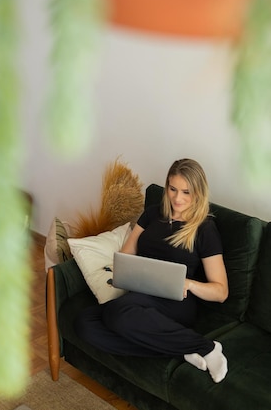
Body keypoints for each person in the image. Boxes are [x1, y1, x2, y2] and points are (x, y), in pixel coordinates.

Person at [74, 158, 229, 383]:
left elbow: (221, 292)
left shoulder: (205, 229)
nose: (177, 198)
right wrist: (125, 269)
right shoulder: (152, 214)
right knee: (84, 323)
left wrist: (190, 283)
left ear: (198, 193)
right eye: (173, 189)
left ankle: (207, 348)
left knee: (119, 315)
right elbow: (126, 253)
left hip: (176, 304)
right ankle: (179, 348)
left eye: (186, 192)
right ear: (166, 186)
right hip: (140, 296)